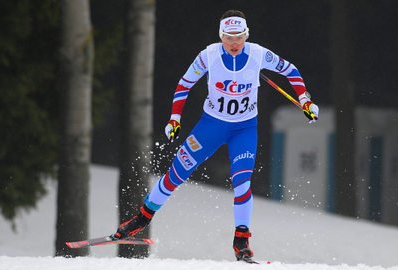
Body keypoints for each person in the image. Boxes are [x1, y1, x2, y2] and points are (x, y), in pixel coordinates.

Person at [113, 9, 319, 261]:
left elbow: (291, 70)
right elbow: (184, 84)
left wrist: (305, 100)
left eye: (239, 37)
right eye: (229, 38)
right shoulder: (208, 56)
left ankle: (241, 241)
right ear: (221, 36)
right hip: (210, 126)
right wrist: (175, 117)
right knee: (175, 175)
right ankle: (141, 219)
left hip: (244, 129)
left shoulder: (258, 53)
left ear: (246, 35)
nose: (234, 43)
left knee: (242, 183)